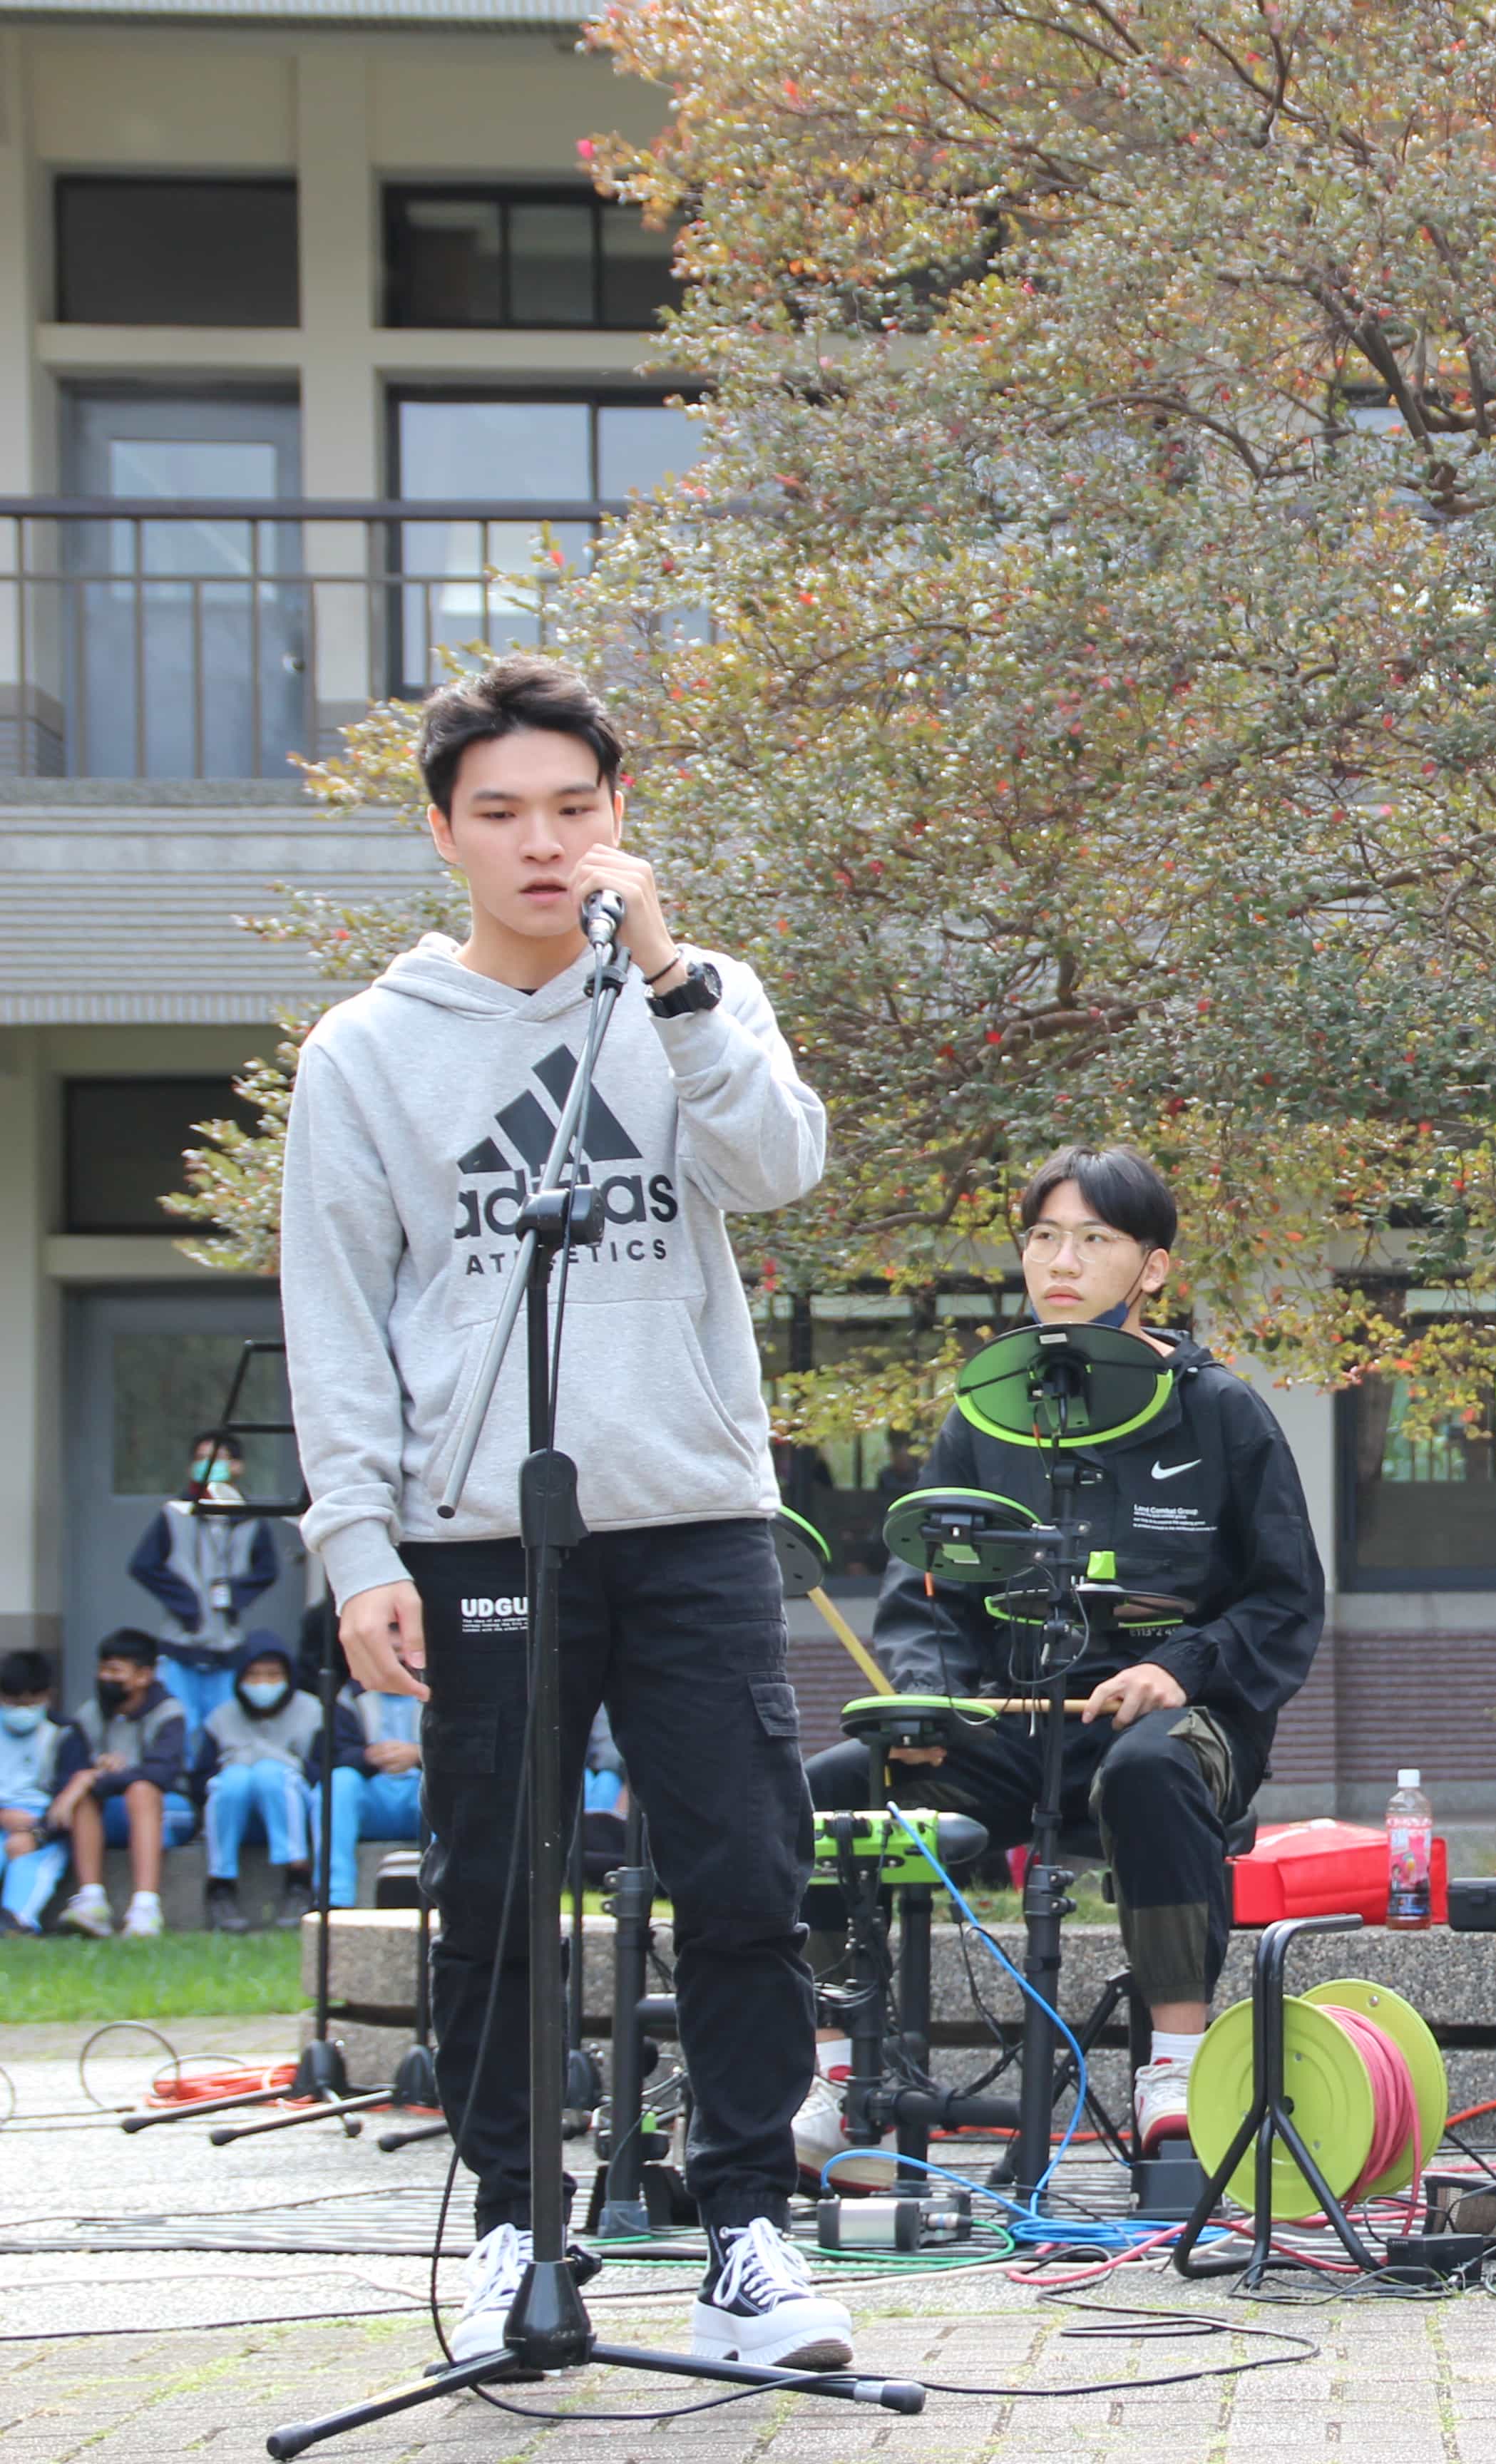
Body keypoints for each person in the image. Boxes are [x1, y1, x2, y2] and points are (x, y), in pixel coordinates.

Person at [277, 654, 849, 2372]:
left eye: (575, 808)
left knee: (744, 1869)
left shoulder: (699, 994)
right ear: (443, 831)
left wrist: (670, 978)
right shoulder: (368, 1051)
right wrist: (356, 1546)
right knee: (500, 1890)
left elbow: (779, 1169)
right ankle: (519, 2226)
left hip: (691, 1511)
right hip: (476, 1533)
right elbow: (336, 1317)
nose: (544, 843)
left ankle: (746, 2232)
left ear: (620, 816)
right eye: (504, 812)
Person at [801, 1144, 1326, 2180]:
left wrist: (1183, 1668)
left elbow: (1286, 1597)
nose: (1062, 1261)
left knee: (1149, 1769)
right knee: (825, 1792)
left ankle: (1174, 2069)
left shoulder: (1220, 1411)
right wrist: (931, 1705)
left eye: (1094, 1238)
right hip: (1017, 1725)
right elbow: (927, 1592)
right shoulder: (984, 1414)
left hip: (1181, 1723)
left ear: (1154, 1267)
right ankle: (841, 2075)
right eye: (1043, 1237)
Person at [128, 1430, 286, 1729]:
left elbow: (267, 1571)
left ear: (237, 1466)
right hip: (180, 1644)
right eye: (200, 1458)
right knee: (179, 1723)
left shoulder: (252, 1519)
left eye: (217, 1458)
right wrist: (187, 1601)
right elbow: (143, 1565)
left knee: (222, 1725)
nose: (207, 1464)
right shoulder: (175, 1513)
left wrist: (233, 1597)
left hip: (228, 1645)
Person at [47, 1633, 193, 1938]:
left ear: (144, 1675)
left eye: (115, 1671)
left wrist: (97, 1777)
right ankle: (91, 1902)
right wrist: (89, 1777)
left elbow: (162, 1774)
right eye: (103, 1669)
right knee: (83, 1794)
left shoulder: (169, 1712)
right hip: (111, 1813)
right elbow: (69, 1773)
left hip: (169, 1812)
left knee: (141, 1789)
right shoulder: (89, 1714)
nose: (105, 1678)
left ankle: (145, 1908)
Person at [195, 1643, 322, 1931]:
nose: (263, 1683)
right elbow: (200, 1779)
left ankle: (298, 1878)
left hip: (294, 1810)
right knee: (234, 1779)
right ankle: (221, 1884)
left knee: (269, 1773)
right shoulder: (221, 1717)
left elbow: (320, 1770)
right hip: (235, 1814)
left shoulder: (312, 1711)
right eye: (253, 1675)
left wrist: (274, 1759)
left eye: (273, 1675)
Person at [0, 1651, 85, 1934]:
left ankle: (16, 1920)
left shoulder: (64, 1734)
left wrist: (37, 1834)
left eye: (31, 1702)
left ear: (48, 1696)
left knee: (32, 1862)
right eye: (13, 1702)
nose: (22, 1711)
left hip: (45, 1823)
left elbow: (71, 1799)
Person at [327, 1679, 426, 1911]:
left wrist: (420, 1754)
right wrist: (366, 1756)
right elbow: (327, 1756)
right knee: (339, 1781)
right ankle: (336, 1897)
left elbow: (460, 1747)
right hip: (372, 1796)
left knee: (448, 1783)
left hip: (422, 1793)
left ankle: (443, 1893)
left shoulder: (442, 1688)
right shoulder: (349, 1697)